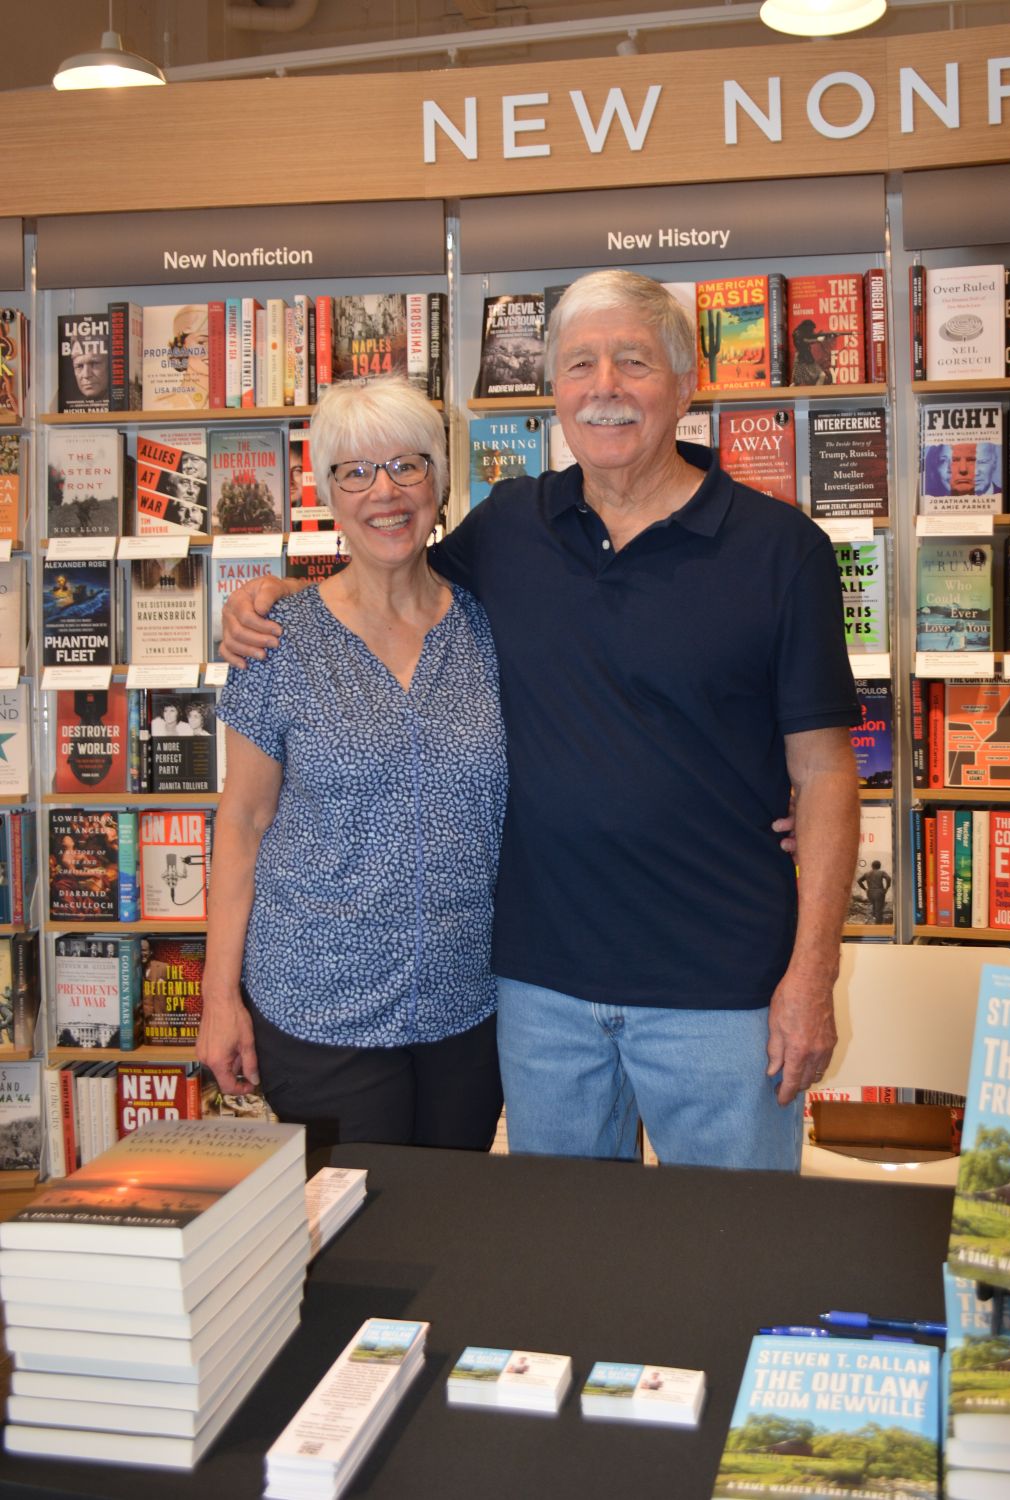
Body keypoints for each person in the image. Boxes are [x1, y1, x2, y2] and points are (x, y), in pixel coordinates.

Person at [221, 270, 859, 1172]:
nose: (604, 387)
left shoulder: (781, 551)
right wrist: (278, 596)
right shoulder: (514, 525)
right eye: (579, 364)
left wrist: (812, 976)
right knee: (566, 1263)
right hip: (538, 994)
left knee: (730, 1256)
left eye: (632, 361)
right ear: (553, 389)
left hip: (723, 991)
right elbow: (390, 564)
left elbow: (826, 771)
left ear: (685, 382)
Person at [198, 376, 507, 1155]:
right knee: (356, 1241)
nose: (386, 492)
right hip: (317, 1008)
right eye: (356, 471)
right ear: (325, 490)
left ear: (440, 479)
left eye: (408, 465)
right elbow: (242, 821)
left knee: (451, 1234)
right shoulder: (277, 641)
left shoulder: (491, 628)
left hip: (467, 1007)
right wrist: (217, 998)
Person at [857, 860, 891, 925]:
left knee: (874, 908)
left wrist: (865, 889)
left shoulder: (867, 873)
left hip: (870, 892)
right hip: (879, 892)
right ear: (879, 866)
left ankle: (873, 923)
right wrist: (887, 888)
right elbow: (888, 878)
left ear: (872, 866)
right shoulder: (881, 872)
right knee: (879, 910)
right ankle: (878, 927)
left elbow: (859, 881)